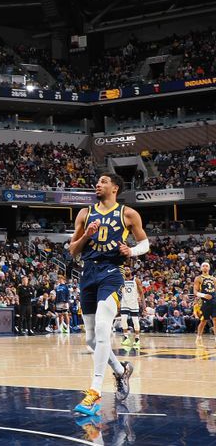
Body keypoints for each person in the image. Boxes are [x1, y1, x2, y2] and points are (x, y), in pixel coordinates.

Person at [68, 173, 146, 416]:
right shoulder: (84, 213)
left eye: (103, 181)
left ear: (115, 188)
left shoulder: (128, 214)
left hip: (112, 273)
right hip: (88, 274)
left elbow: (145, 243)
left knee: (103, 328)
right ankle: (121, 371)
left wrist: (131, 251)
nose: (97, 185)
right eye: (97, 182)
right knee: (91, 339)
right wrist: (87, 236)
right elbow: (72, 250)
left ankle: (94, 391)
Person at [119, 266, 144, 349]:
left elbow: (141, 293)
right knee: (123, 319)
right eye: (125, 269)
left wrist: (143, 304)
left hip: (134, 303)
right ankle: (126, 337)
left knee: (135, 321)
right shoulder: (121, 280)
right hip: (124, 302)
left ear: (130, 271)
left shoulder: (136, 280)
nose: (126, 270)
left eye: (128, 269)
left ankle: (137, 339)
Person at [194, 261, 216, 346]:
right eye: (203, 266)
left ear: (209, 268)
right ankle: (199, 336)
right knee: (204, 320)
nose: (205, 267)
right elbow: (195, 291)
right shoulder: (198, 278)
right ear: (201, 268)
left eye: (207, 266)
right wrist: (203, 295)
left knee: (215, 320)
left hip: (214, 300)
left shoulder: (214, 279)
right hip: (204, 301)